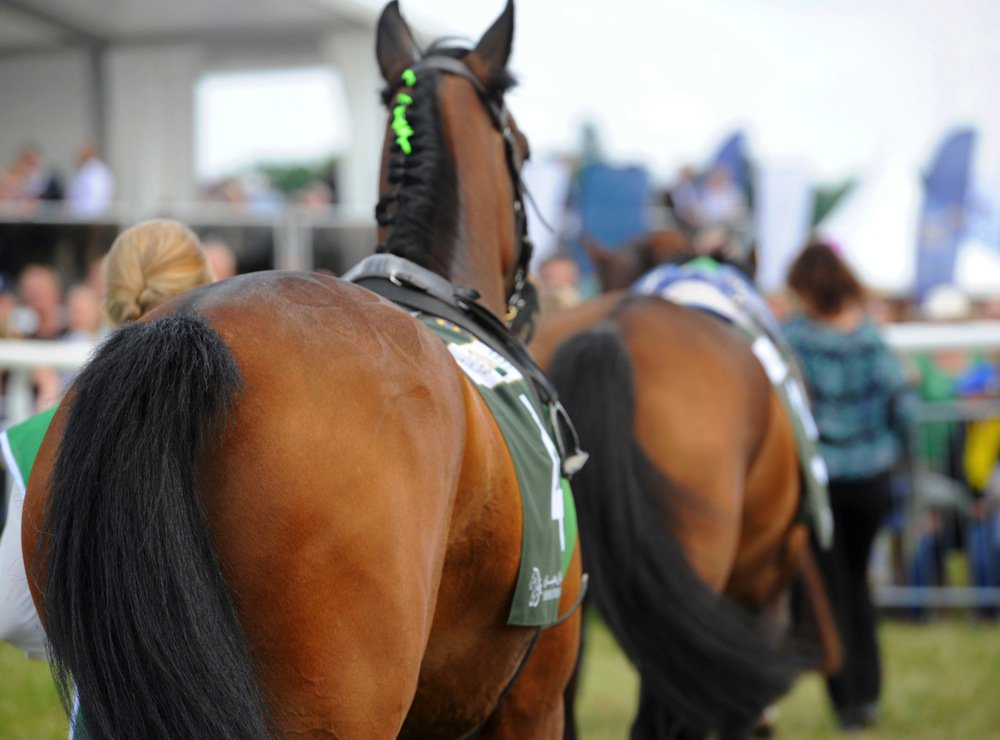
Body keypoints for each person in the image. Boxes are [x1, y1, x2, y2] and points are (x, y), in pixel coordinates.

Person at [0, 219, 215, 666]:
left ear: (110, 300)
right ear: (209, 287)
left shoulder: (42, 436)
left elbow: (15, 617)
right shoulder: (251, 416)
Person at [782, 239, 915, 732]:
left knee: (830, 592)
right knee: (860, 585)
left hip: (822, 482)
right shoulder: (870, 336)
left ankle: (847, 702)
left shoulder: (792, 337)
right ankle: (870, 693)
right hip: (873, 479)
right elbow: (900, 403)